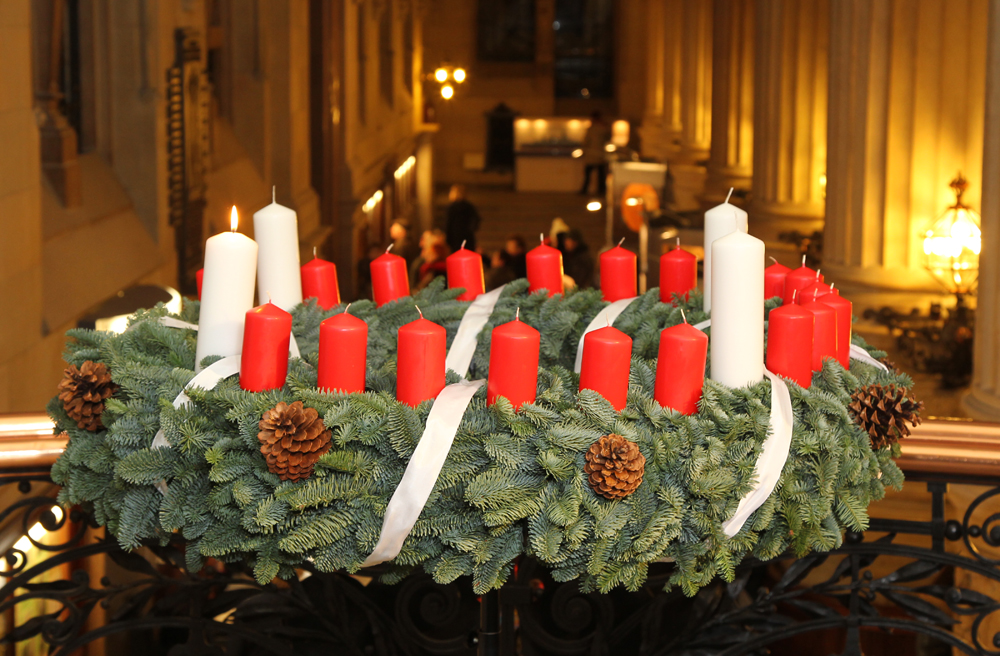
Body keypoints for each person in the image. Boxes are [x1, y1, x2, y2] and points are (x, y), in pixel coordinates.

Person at [579, 111, 611, 195]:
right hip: (599, 155)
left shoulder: (592, 129)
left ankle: (586, 190)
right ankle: (601, 190)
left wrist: (584, 150)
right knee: (599, 175)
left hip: (592, 154)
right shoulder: (603, 128)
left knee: (589, 174)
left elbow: (586, 141)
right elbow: (608, 138)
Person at [444, 185, 482, 254]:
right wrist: (470, 230)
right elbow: (476, 219)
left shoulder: (452, 207)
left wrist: (447, 238)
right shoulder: (469, 206)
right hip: (467, 237)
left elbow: (448, 223)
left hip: (455, 237)